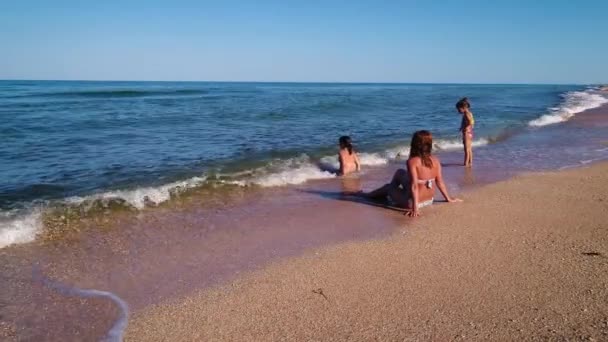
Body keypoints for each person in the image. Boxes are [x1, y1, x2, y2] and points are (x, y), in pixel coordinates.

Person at [351, 130, 461, 217]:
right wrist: (448, 199)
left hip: (413, 203)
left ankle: (367, 195)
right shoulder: (435, 160)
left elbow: (414, 186)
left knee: (388, 187)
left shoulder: (413, 161)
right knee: (400, 172)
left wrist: (415, 209)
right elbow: (439, 181)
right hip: (429, 200)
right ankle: (392, 195)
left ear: (414, 144)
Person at [456, 97, 475, 167]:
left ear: (463, 108)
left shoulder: (466, 114)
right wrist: (462, 127)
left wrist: (467, 127)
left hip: (467, 133)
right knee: (469, 149)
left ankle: (465, 164)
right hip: (470, 133)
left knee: (466, 149)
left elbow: (471, 121)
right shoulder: (469, 113)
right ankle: (470, 162)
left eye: (458, 109)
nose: (458, 111)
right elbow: (470, 121)